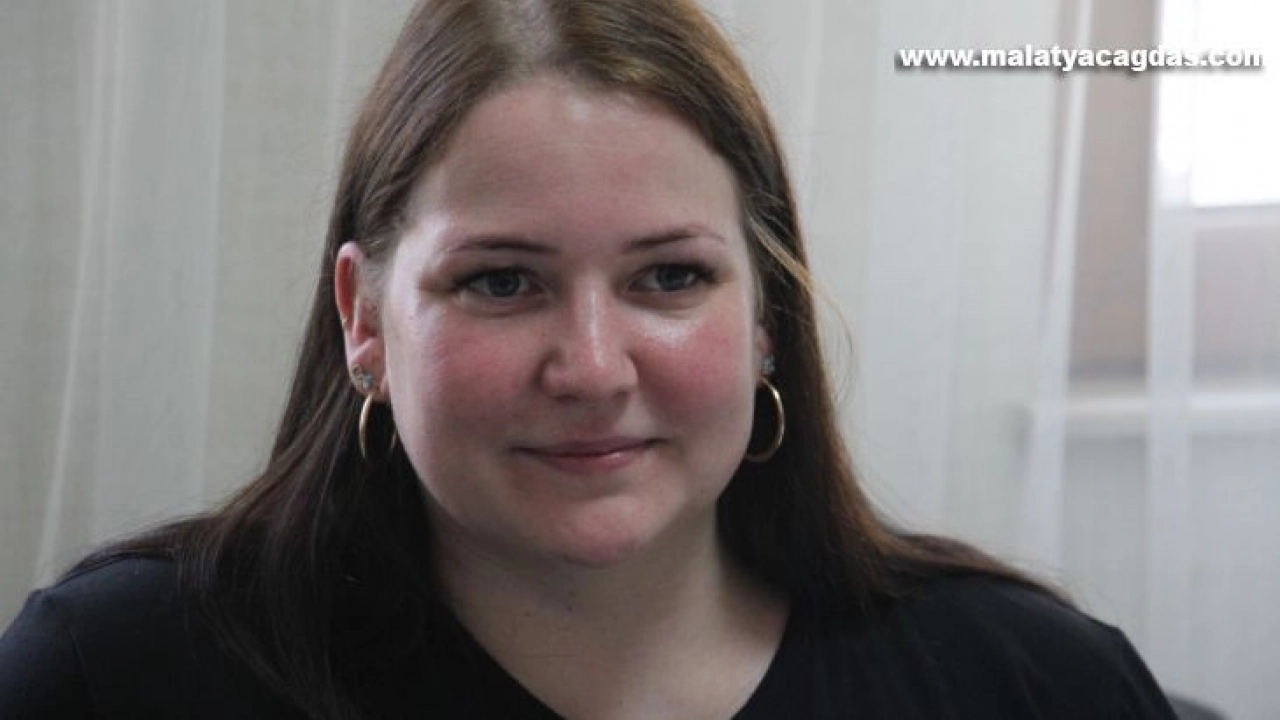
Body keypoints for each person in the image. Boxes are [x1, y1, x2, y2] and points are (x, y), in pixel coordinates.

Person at [0, 0, 1177, 718]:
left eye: (668, 278)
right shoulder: (113, 678)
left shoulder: (1033, 684)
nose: (594, 368)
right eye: (499, 282)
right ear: (364, 319)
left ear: (765, 315)